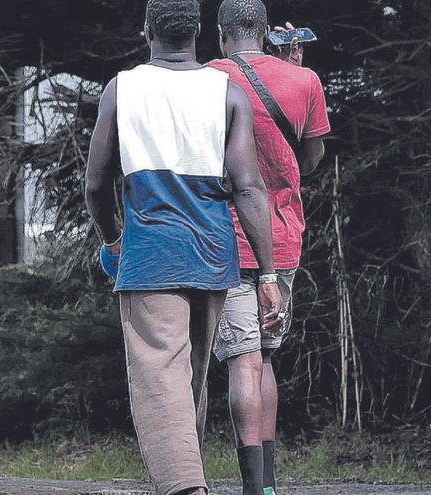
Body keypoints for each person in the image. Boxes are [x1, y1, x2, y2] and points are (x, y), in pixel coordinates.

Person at [84, 0, 283, 493]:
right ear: (199, 32)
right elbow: (249, 188)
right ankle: (185, 480)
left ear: (147, 30)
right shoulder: (227, 92)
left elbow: (95, 182)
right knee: (190, 380)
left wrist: (113, 240)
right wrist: (268, 275)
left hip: (151, 256)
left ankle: (186, 488)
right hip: (213, 258)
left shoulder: (122, 89)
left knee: (161, 380)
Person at [206, 1, 331, 494]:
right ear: (265, 32)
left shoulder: (207, 79)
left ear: (221, 34)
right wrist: (295, 72)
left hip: (226, 236)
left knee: (243, 359)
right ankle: (271, 485)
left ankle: (253, 488)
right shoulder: (306, 82)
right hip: (282, 238)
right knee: (267, 357)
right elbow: (311, 160)